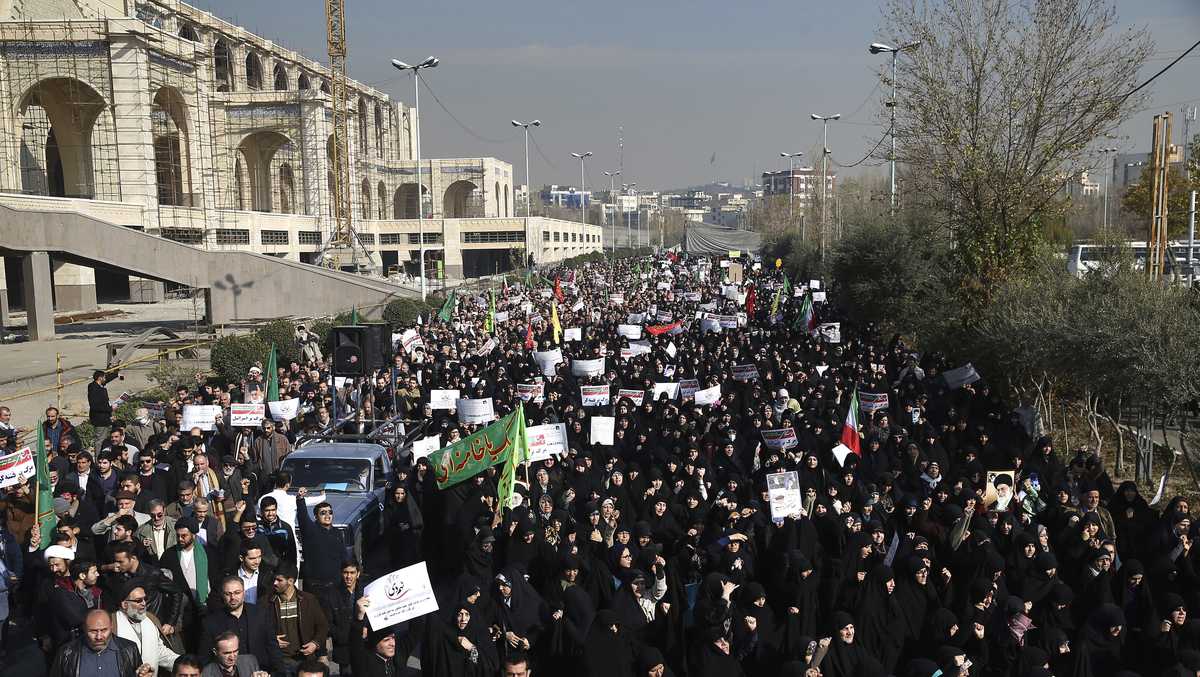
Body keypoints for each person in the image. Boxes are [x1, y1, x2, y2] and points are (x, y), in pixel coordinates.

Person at [200, 576, 283, 674]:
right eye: (228, 594)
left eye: (237, 593)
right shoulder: (211, 622)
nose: (233, 598)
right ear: (222, 595)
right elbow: (205, 657)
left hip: (262, 671)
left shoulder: (260, 614)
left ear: (244, 593)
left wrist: (278, 673)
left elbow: (273, 648)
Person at [49, 608, 151, 677]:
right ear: (84, 629)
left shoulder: (130, 649)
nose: (99, 637)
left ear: (111, 626)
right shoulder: (66, 653)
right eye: (93, 631)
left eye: (103, 630)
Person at [266, 561, 329, 674]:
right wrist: (272, 640)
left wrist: (315, 643)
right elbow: (259, 629)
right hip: (279, 662)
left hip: (304, 661)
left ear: (291, 581)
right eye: (274, 579)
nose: (275, 583)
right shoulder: (266, 602)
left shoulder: (309, 600)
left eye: (279, 580)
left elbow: (322, 626)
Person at [112, 582, 182, 672]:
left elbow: (159, 651)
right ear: (125, 604)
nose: (144, 603)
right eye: (138, 601)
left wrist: (183, 663)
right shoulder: (112, 624)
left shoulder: (151, 620)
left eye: (144, 599)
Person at [200, 631, 265, 677]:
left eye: (235, 651)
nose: (232, 657)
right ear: (215, 652)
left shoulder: (250, 661)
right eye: (227, 653)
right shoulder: (206, 673)